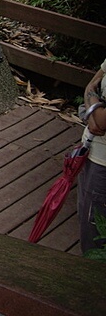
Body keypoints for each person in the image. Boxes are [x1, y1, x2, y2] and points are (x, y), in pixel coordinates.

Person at [78, 58, 106, 254]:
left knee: (97, 237)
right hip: (92, 151)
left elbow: (101, 121)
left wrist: (92, 105)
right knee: (88, 223)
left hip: (103, 164)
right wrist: (94, 106)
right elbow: (92, 82)